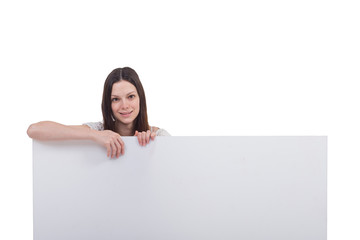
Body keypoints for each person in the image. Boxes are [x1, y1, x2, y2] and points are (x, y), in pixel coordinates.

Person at [27, 67, 170, 158]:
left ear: (140, 99)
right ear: (108, 104)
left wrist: (154, 145)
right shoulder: (98, 130)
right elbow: (34, 130)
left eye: (131, 96)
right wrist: (93, 135)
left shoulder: (158, 135)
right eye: (115, 99)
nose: (124, 105)